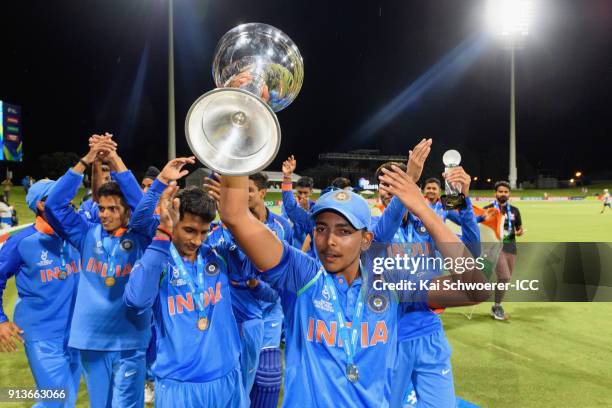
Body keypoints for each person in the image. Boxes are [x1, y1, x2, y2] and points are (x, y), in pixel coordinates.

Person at [217, 162, 488, 407]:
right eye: (321, 228)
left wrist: (420, 206)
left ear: (367, 239)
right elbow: (235, 215)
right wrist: (241, 147)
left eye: (344, 231)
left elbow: (475, 289)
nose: (329, 241)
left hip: (425, 335)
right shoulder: (302, 275)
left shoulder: (390, 284)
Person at [124, 159, 248, 407]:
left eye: (203, 232)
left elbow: (248, 269)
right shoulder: (159, 257)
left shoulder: (217, 254)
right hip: (180, 385)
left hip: (228, 378)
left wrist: (234, 220)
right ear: (173, 220)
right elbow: (135, 301)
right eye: (190, 230)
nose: (197, 240)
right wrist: (162, 232)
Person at [45, 134, 151, 408]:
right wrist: (86, 160)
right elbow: (55, 205)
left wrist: (115, 160)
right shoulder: (85, 234)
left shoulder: (142, 235)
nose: (104, 214)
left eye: (113, 209)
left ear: (127, 211)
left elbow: (146, 209)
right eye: (102, 208)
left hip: (130, 340)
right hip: (92, 340)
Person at [0, 180, 82, 407]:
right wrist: (1, 320)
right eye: (61, 196)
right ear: (43, 204)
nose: (69, 201)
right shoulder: (21, 241)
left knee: (65, 399)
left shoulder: (74, 235)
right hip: (42, 335)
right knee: (55, 400)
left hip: (76, 333)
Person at [478, 181, 523, 321]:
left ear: (509, 194)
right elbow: (480, 229)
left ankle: (496, 305)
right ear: (495, 193)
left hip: (511, 247)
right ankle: (497, 307)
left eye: (506, 192)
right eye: (500, 191)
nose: (503, 194)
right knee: (504, 276)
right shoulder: (488, 209)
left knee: (505, 279)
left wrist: (520, 232)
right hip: (494, 248)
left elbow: (519, 228)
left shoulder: (515, 210)